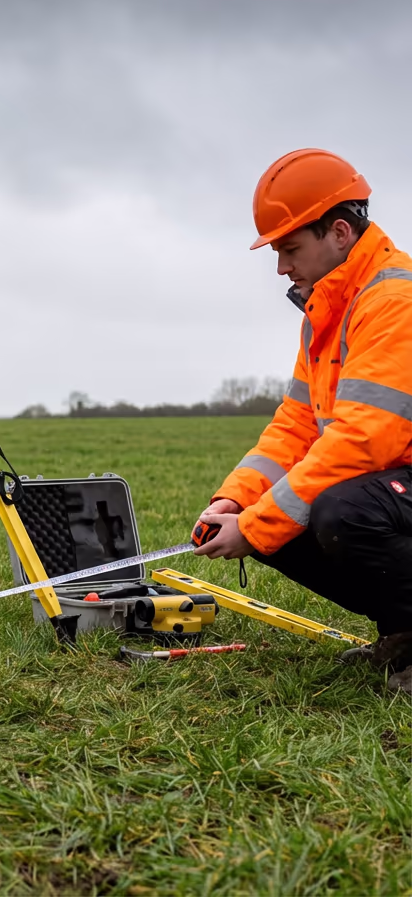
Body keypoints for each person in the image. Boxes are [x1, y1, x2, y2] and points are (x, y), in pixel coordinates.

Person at [193, 148, 412, 694]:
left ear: (339, 232)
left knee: (343, 509)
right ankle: (404, 635)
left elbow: (361, 442)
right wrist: (237, 501)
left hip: (392, 480)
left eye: (289, 248)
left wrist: (257, 525)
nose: (281, 266)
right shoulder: (328, 308)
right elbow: (295, 425)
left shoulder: (394, 300)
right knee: (282, 514)